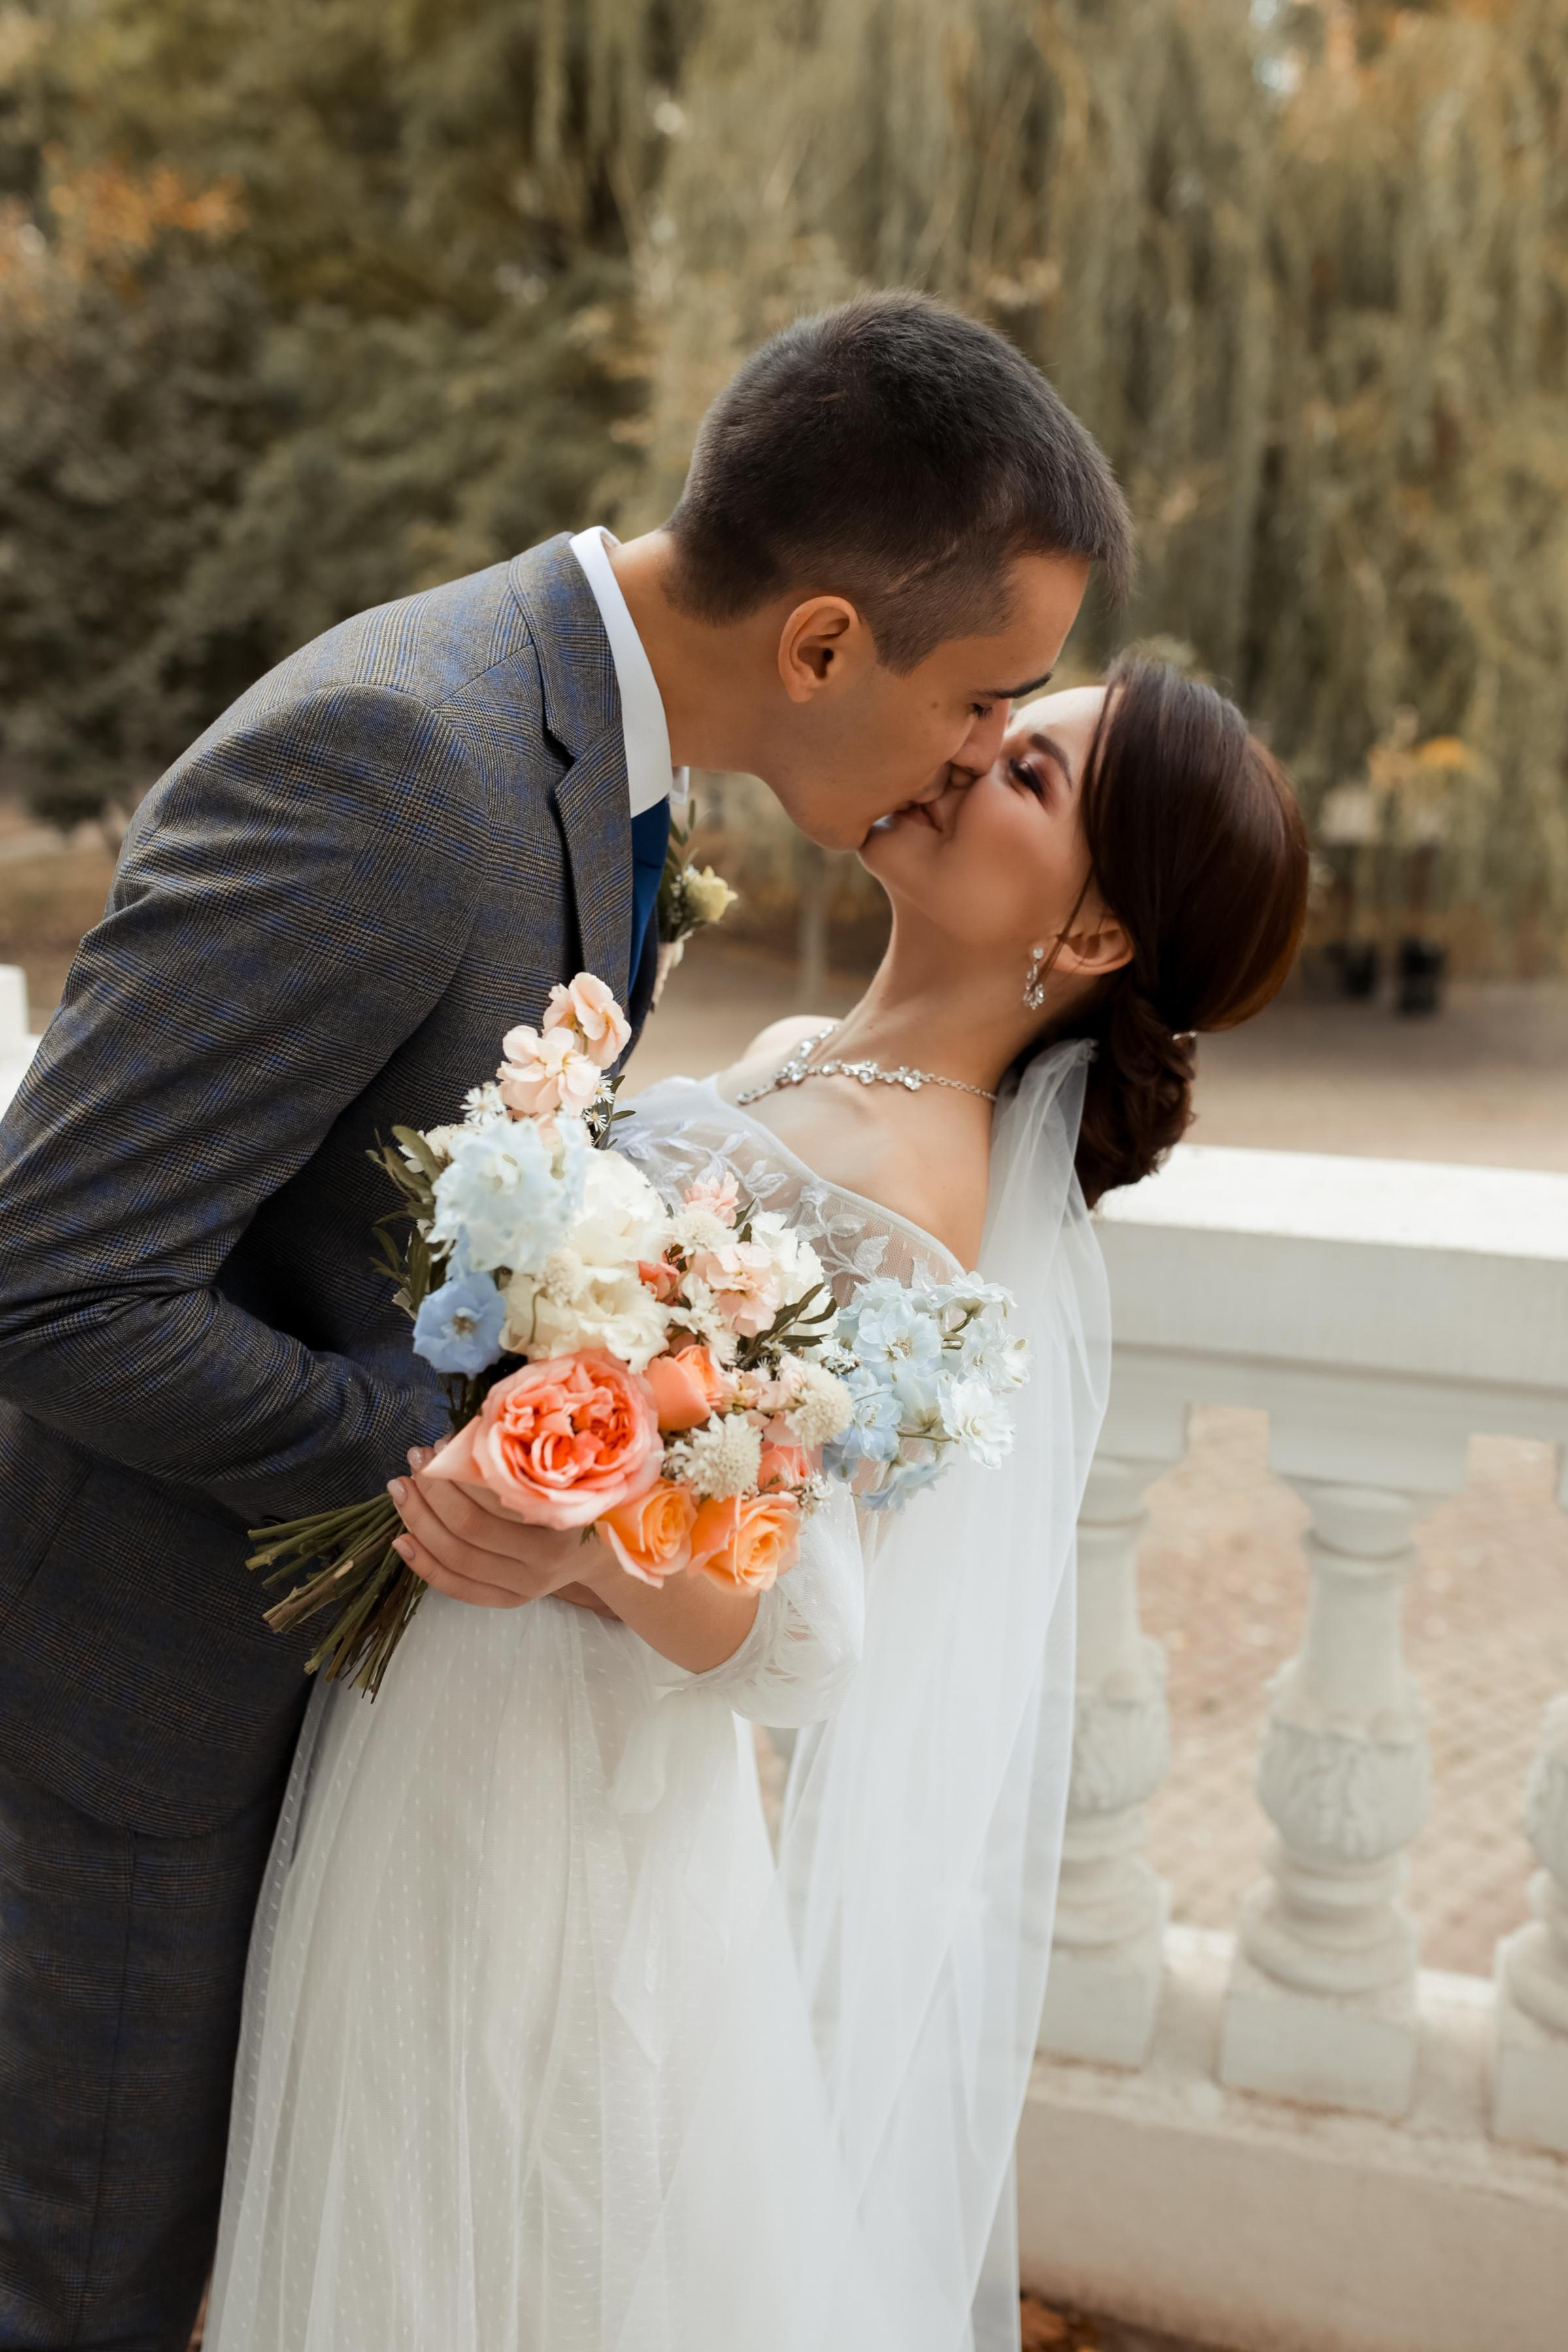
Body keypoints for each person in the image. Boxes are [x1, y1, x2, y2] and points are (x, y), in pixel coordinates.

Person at [0, 291, 1131, 2351]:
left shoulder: (597, 770)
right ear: (823, 645)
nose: (983, 749)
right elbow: (56, 1275)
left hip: (331, 1760)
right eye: (987, 697)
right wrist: (457, 1463)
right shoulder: (406, 759)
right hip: (125, 1742)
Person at [204, 656, 1309, 2352]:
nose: (966, 757)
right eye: (998, 725)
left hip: (554, 1777)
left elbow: (802, 1635)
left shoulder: (922, 1201)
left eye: (1030, 775)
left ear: (1093, 937)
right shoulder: (809, 1058)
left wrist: (579, 1541)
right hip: (453, 1704)